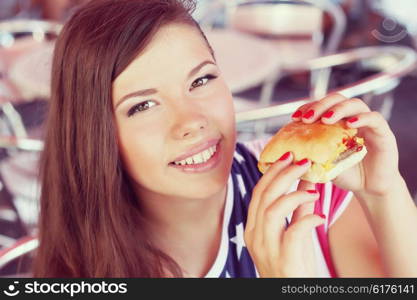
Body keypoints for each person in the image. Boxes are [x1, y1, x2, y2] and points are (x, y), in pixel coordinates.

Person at [33, 0, 417, 278]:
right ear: (95, 133)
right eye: (144, 105)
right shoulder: (87, 264)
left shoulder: (311, 185)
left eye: (201, 80)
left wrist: (384, 194)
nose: (192, 121)